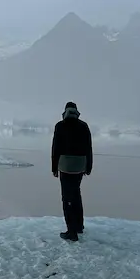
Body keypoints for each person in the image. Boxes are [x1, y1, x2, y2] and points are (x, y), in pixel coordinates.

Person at [51, 101, 92, 242]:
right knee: (76, 194)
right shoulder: (83, 126)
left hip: (66, 166)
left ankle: (71, 232)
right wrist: (89, 167)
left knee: (67, 198)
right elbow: (89, 148)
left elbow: (55, 148)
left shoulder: (60, 126)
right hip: (80, 166)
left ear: (65, 111)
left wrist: (54, 167)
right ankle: (79, 226)